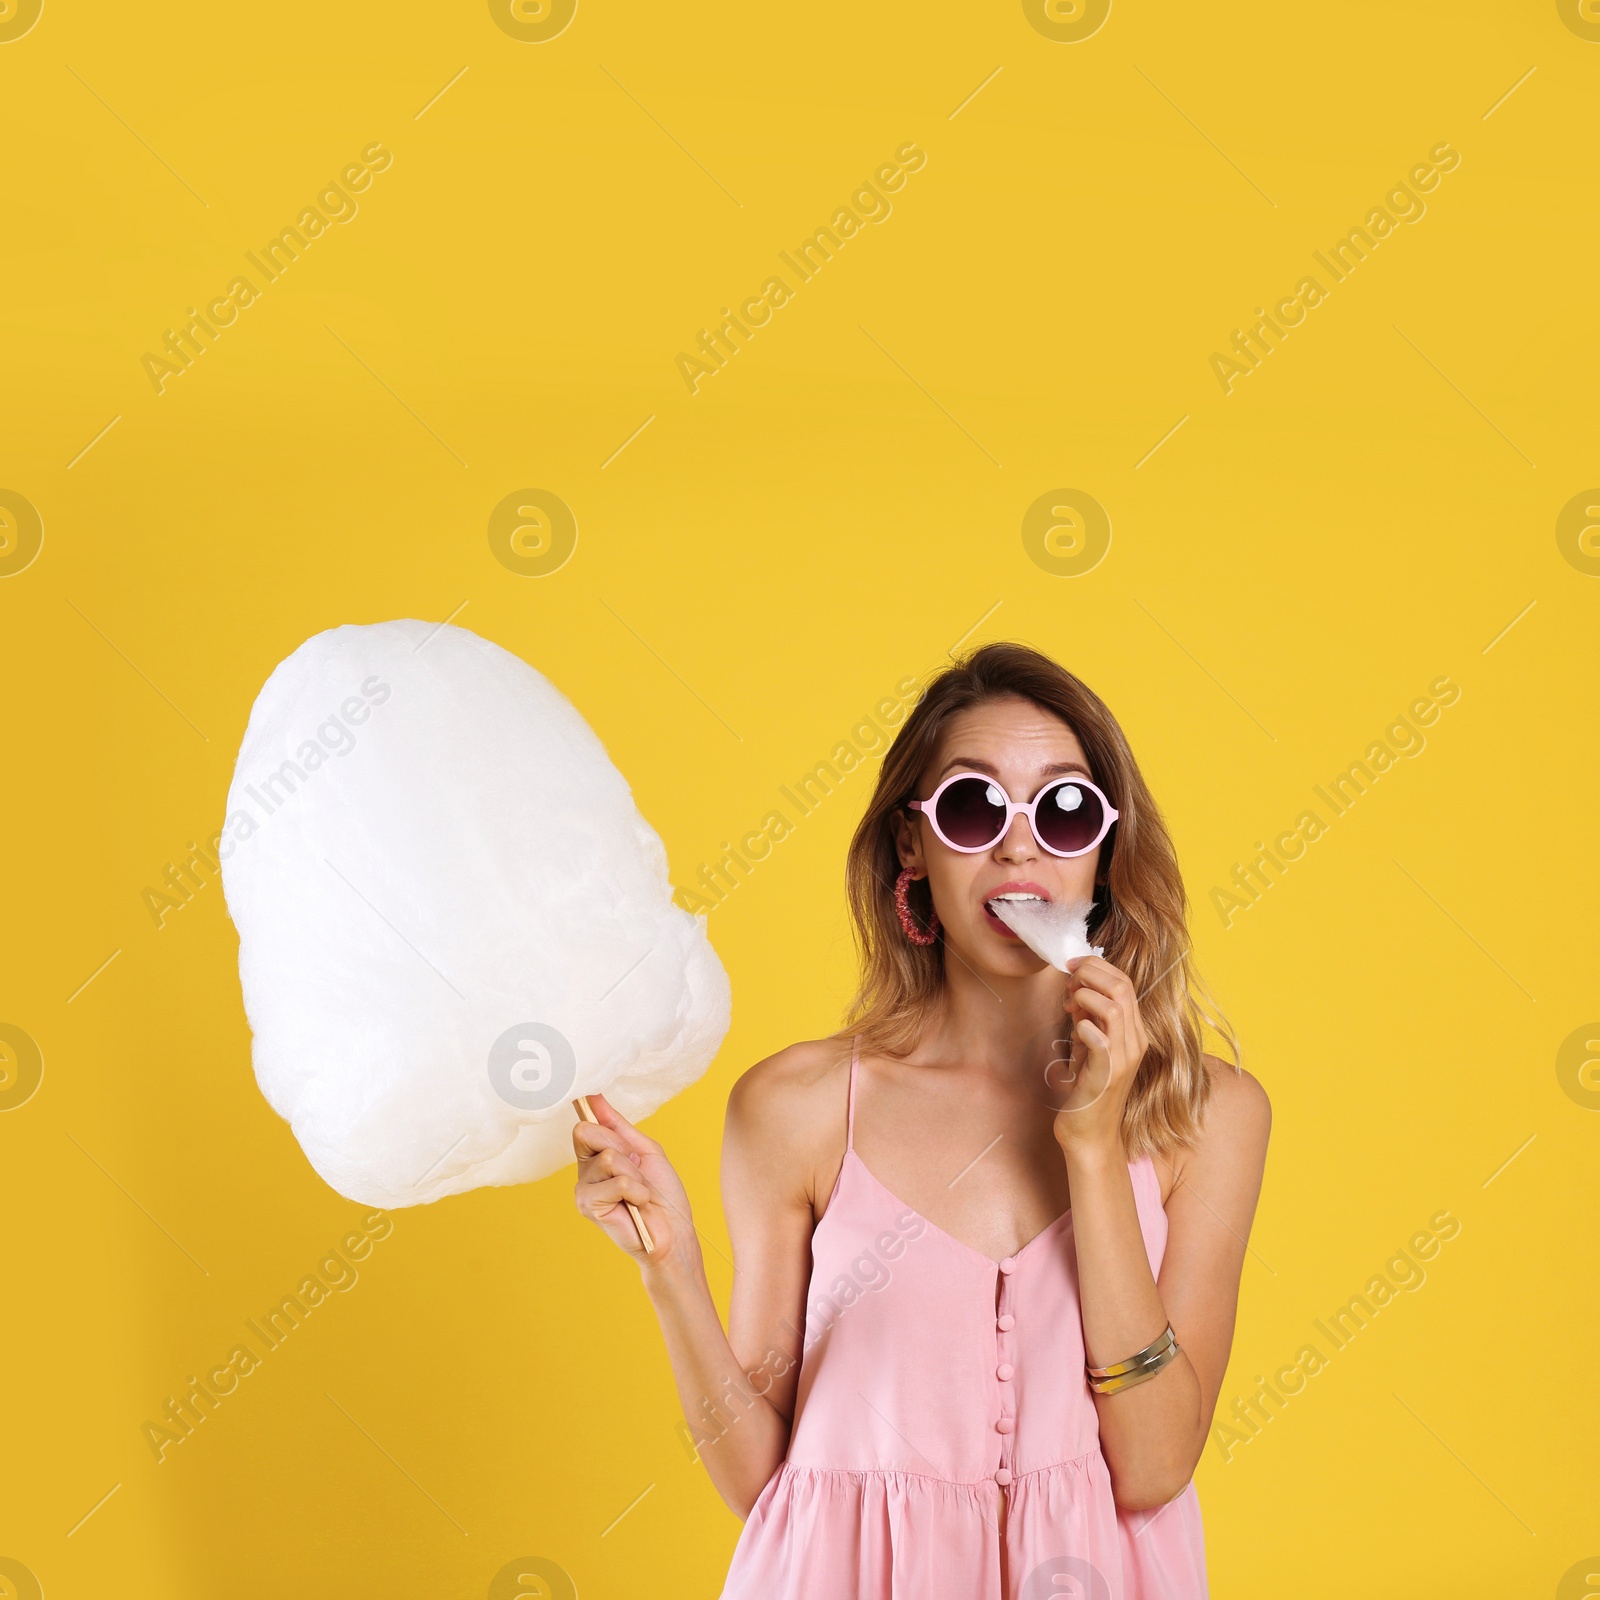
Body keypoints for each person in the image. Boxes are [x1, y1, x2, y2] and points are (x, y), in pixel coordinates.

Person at [573, 642, 1271, 1598]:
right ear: (914, 845)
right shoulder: (795, 1110)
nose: (1020, 847)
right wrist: (670, 1268)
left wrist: (1094, 1146)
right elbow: (759, 1482)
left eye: (1064, 812)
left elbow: (1153, 1468)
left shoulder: (1209, 1116)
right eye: (974, 807)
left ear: (1104, 850)